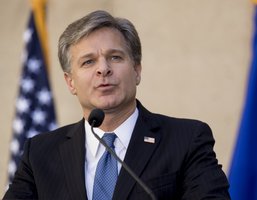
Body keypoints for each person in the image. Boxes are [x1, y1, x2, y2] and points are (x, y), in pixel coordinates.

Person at [4, 10, 230, 200]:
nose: (103, 69)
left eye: (115, 57)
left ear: (137, 70)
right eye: (88, 61)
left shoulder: (187, 140)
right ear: (70, 82)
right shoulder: (41, 153)